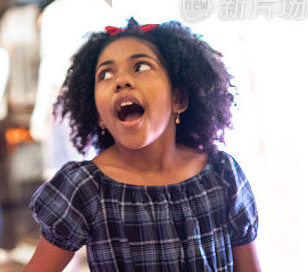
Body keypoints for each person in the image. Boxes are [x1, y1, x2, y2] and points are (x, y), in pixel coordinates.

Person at [25, 19, 261, 272]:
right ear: (98, 114)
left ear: (178, 99)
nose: (121, 80)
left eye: (140, 66)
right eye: (105, 74)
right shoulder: (85, 188)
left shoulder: (222, 174)